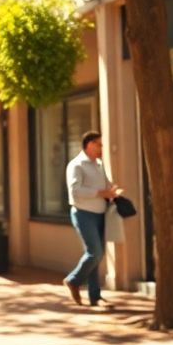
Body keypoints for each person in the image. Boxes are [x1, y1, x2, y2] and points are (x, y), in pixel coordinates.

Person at [64, 131, 124, 307]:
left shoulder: (98, 164)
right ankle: (73, 280)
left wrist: (112, 190)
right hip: (83, 214)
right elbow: (75, 191)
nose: (101, 148)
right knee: (95, 252)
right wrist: (99, 193)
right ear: (89, 144)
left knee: (97, 256)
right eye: (99, 144)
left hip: (100, 213)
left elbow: (105, 184)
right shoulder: (76, 165)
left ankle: (94, 296)